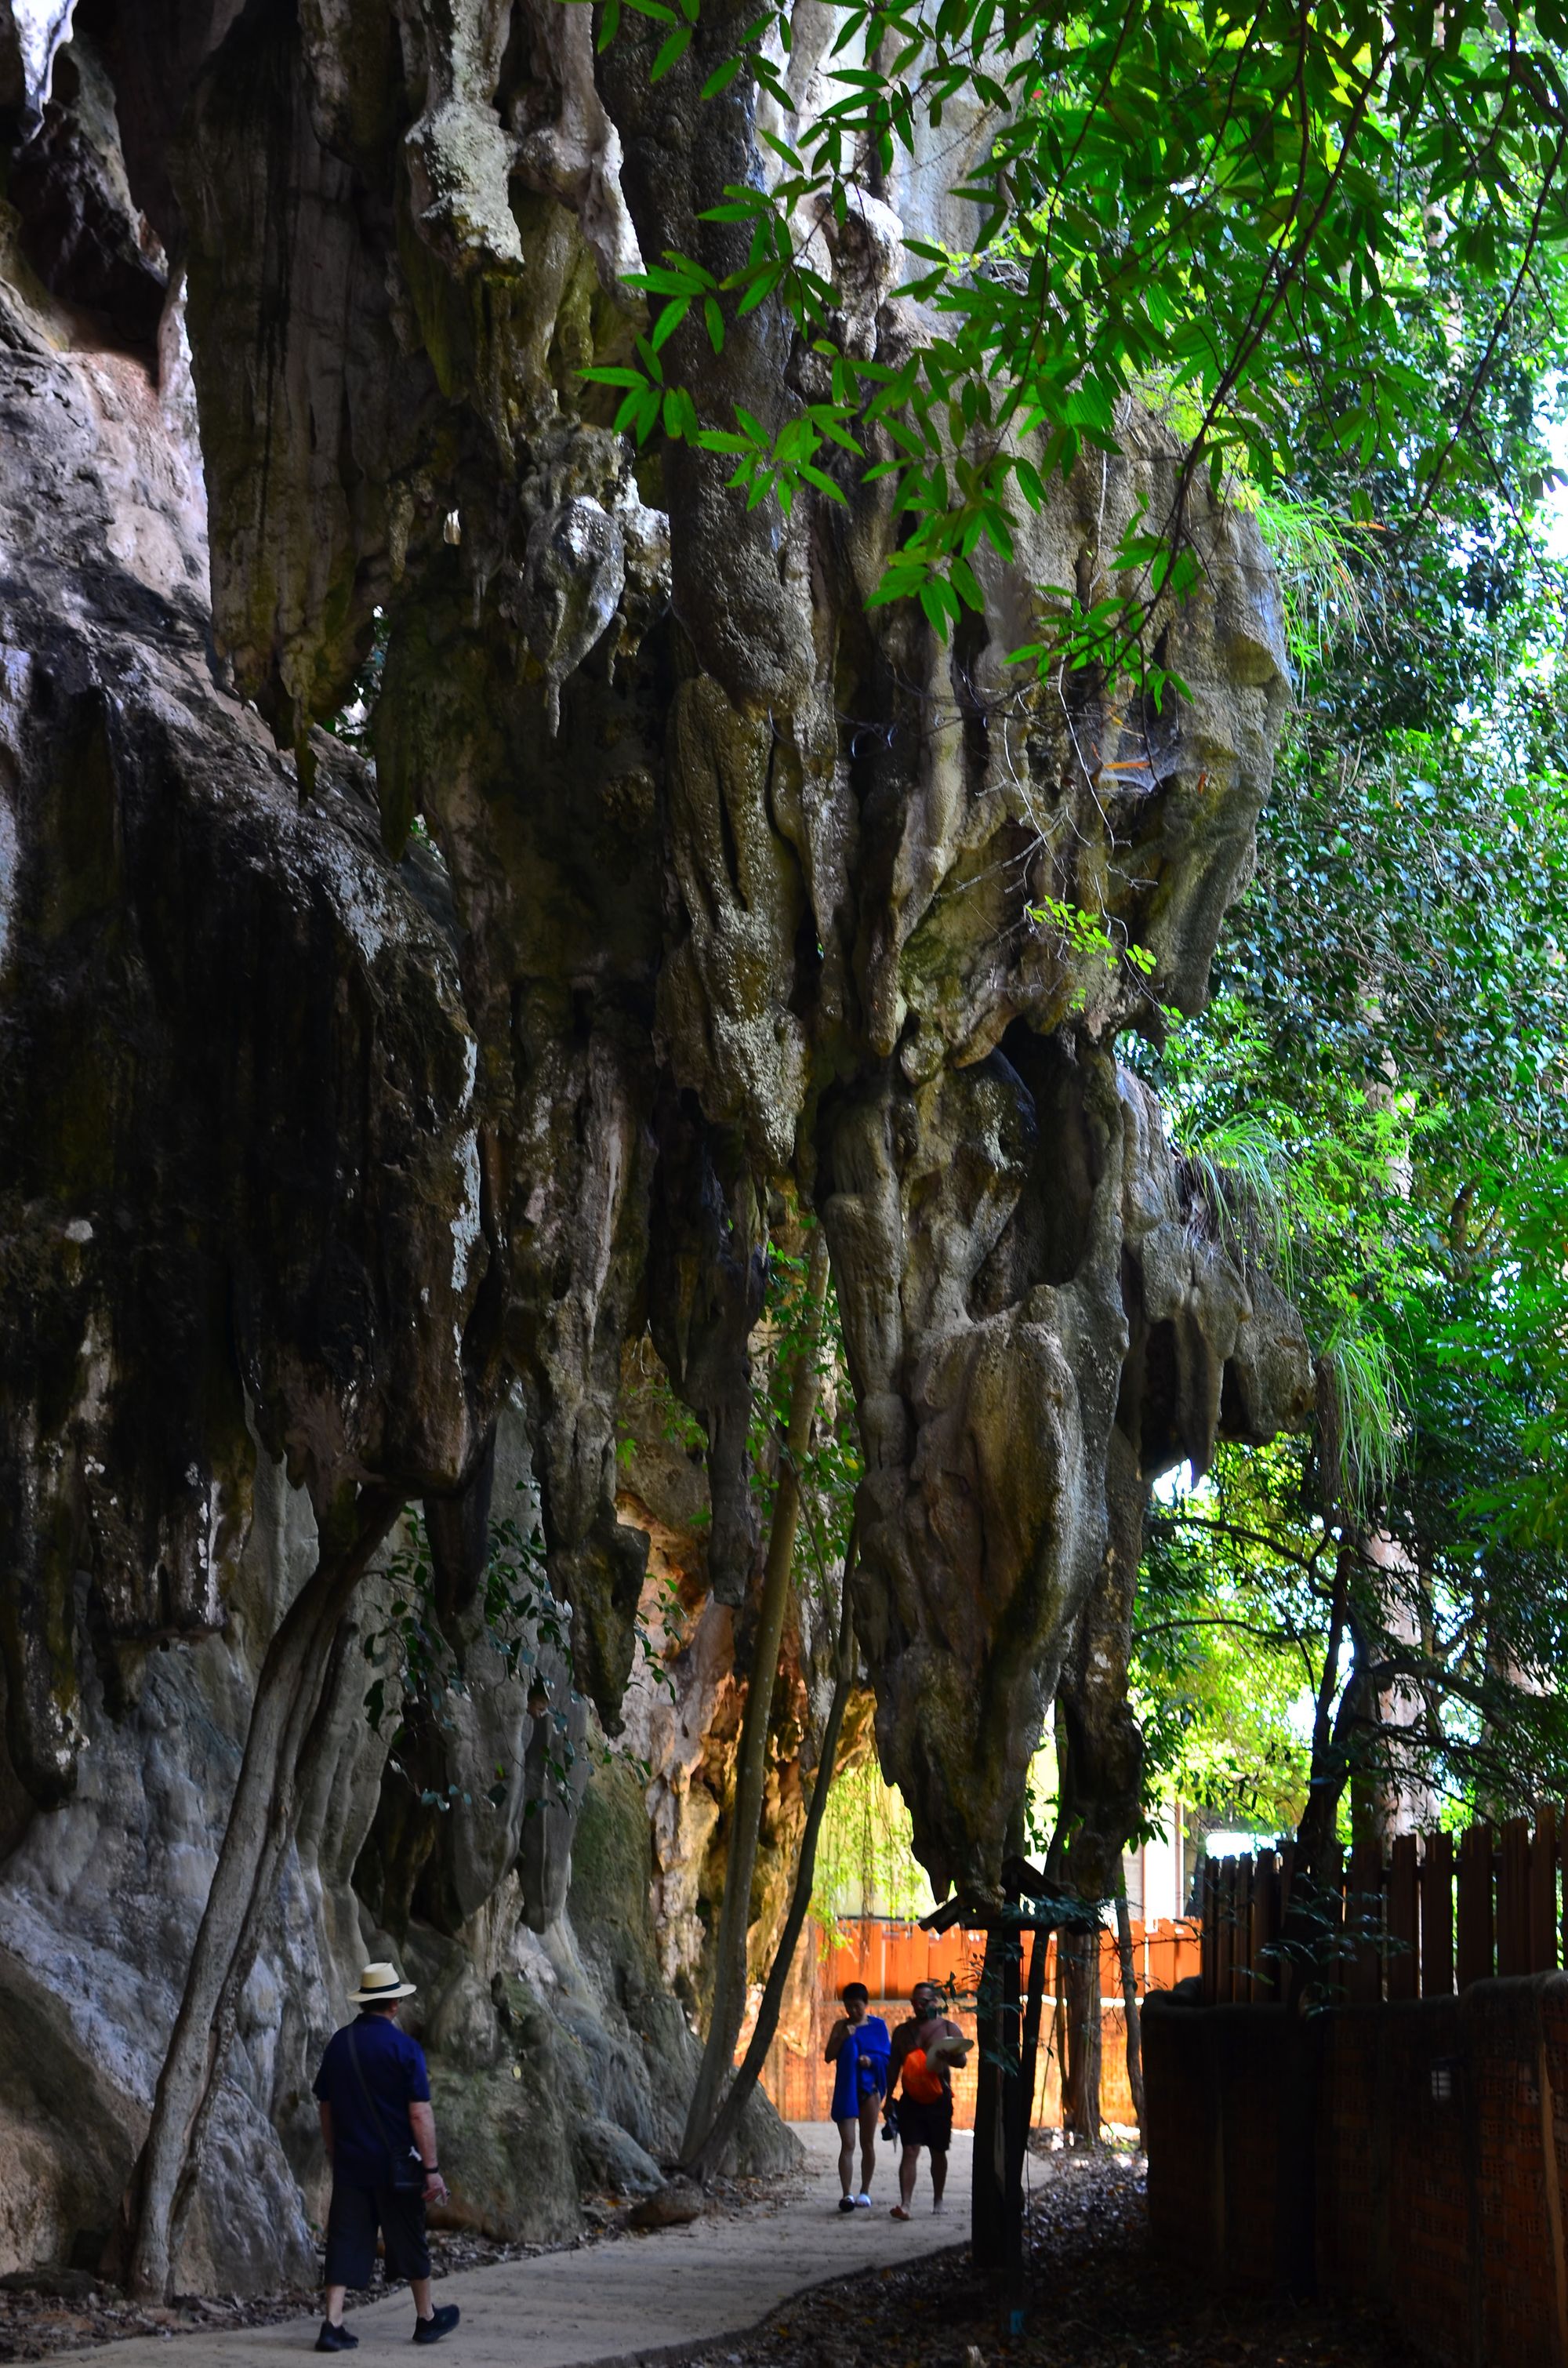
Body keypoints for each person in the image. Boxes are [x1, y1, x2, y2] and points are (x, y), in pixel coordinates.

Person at [311, 1959, 461, 2352]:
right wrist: (431, 2169)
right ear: (393, 2003)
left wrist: (333, 2150)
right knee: (410, 2238)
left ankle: (332, 2322)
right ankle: (426, 2317)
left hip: (352, 2164)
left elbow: (325, 2105)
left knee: (344, 2239)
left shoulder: (339, 2044)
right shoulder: (405, 2049)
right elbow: (419, 2113)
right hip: (398, 2166)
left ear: (365, 2003)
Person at [887, 1980, 967, 2220]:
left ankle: (938, 2199)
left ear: (934, 2003)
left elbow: (962, 2062)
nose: (919, 2006)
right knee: (909, 2150)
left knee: (937, 2151)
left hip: (939, 2099)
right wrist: (888, 2097)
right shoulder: (902, 2032)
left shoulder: (948, 2029)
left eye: (923, 2002)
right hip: (910, 2098)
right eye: (915, 2002)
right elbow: (893, 2067)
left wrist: (949, 2058)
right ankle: (906, 2204)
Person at [823, 1981, 890, 2212]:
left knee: (867, 2143)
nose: (852, 2011)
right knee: (848, 2143)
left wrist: (872, 2061)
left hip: (869, 2089)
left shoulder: (879, 2026)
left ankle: (865, 2192)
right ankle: (847, 2194)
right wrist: (842, 2037)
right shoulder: (840, 2026)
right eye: (848, 2006)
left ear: (866, 2004)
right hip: (846, 2089)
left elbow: (887, 2058)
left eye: (857, 2006)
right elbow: (828, 2056)